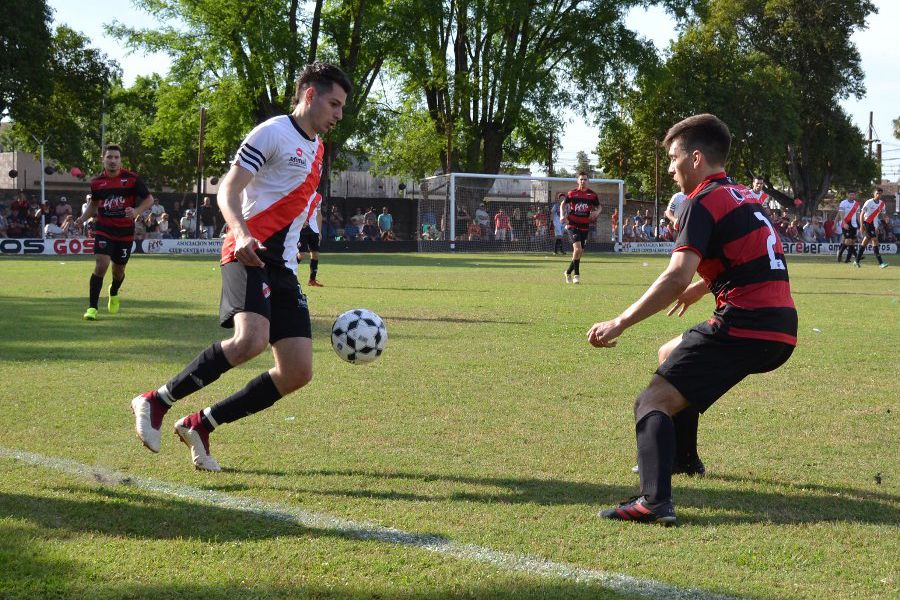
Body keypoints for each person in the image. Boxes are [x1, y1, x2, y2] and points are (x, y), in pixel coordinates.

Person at [130, 62, 351, 471]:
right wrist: (242, 232)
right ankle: (155, 400)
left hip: (282, 265)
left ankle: (201, 424)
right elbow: (227, 191)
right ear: (309, 95)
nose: (339, 114)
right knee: (250, 340)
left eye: (341, 107)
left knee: (297, 371)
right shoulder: (270, 132)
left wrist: (297, 242)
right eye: (334, 104)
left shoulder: (318, 150)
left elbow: (294, 202)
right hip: (246, 251)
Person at [589, 114, 796, 525]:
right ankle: (683, 460)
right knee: (671, 352)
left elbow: (674, 275)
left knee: (651, 401)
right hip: (781, 326)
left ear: (696, 158)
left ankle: (654, 502)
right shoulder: (745, 196)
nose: (670, 168)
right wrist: (703, 289)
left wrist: (620, 322)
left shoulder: (701, 201)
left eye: (673, 157)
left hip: (745, 323)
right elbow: (755, 256)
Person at [75, 144, 155, 320]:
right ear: (102, 159)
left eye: (116, 157)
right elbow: (94, 204)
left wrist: (136, 212)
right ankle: (92, 308)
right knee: (101, 264)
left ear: (120, 160)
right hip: (104, 229)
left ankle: (114, 290)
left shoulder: (132, 179)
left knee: (118, 271)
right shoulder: (96, 182)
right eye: (109, 157)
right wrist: (83, 218)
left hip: (125, 233)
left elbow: (149, 199)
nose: (112, 161)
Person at [562, 173, 601, 283]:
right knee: (577, 249)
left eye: (585, 179)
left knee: (580, 252)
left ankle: (568, 272)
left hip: (585, 225)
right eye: (581, 179)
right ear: (577, 181)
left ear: (588, 181)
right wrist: (561, 215)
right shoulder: (572, 193)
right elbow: (563, 204)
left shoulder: (592, 195)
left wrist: (597, 212)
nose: (583, 181)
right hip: (572, 224)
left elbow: (599, 206)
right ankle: (576, 276)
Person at [857, 187, 888, 268]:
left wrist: (886, 218)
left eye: (880, 193)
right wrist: (861, 226)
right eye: (877, 193)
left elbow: (883, 213)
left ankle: (856, 261)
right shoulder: (869, 202)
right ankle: (881, 263)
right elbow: (861, 214)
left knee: (865, 241)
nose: (879, 195)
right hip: (867, 222)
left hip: (873, 224)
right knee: (874, 239)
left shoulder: (882, 204)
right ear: (874, 194)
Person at [298, 192, 325, 286]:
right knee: (301, 255)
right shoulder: (301, 193)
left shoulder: (319, 197)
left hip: (314, 229)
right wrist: (301, 220)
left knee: (315, 254)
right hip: (302, 228)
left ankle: (312, 280)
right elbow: (295, 209)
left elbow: (319, 214)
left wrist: (319, 231)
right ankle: (287, 274)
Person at [837, 191, 860, 264]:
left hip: (854, 225)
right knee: (847, 241)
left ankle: (847, 259)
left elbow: (858, 215)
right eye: (851, 194)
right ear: (848, 195)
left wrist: (861, 224)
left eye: (853, 195)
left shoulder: (857, 204)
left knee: (852, 242)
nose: (852, 196)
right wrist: (844, 223)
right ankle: (839, 255)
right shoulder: (843, 203)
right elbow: (841, 213)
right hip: (846, 224)